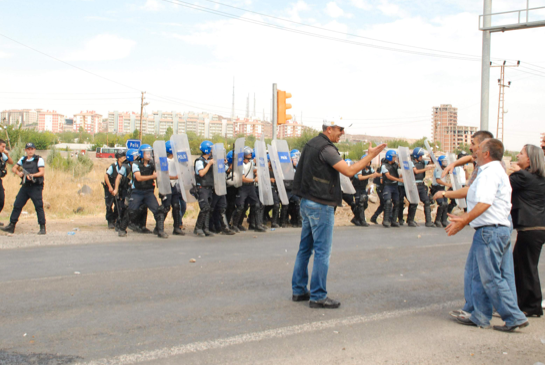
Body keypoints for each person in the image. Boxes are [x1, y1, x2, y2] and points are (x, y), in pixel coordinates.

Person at [291, 118, 386, 309]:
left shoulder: (311, 144)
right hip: (320, 204)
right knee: (322, 252)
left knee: (305, 249)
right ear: (329, 129)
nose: (342, 132)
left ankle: (299, 290)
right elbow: (349, 171)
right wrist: (370, 156)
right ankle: (318, 295)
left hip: (307, 202)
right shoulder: (326, 149)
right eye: (340, 129)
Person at [446, 138, 528, 332]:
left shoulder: (490, 173)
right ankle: (480, 316)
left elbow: (485, 202)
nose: (474, 151)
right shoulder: (489, 171)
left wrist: (464, 219)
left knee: (491, 277)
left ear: (486, 153)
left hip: (491, 230)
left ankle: (514, 316)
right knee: (478, 276)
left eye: (479, 148)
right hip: (488, 230)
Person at [509, 144, 545, 317]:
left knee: (525, 267)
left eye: (521, 153)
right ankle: (529, 304)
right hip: (538, 227)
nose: (517, 155)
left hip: (530, 227)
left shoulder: (522, 176)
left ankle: (531, 306)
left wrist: (513, 171)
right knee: (524, 265)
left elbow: (503, 183)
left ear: (529, 159)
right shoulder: (540, 178)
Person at [118, 144, 168, 239]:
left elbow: (162, 173)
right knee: (131, 211)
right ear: (142, 154)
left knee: (159, 211)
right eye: (147, 153)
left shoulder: (153, 163)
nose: (149, 155)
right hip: (137, 192)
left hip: (148, 192)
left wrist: (160, 166)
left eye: (150, 153)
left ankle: (160, 231)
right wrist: (152, 176)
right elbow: (138, 177)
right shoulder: (136, 164)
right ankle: (122, 229)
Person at [1, 143, 46, 235]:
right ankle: (12, 225)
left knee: (38, 206)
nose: (30, 151)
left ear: (34, 150)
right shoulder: (23, 159)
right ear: (26, 150)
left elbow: (41, 172)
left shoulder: (39, 159)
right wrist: (19, 173)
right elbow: (14, 168)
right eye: (28, 149)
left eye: (32, 149)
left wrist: (32, 175)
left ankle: (42, 227)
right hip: (25, 186)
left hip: (35, 186)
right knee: (17, 204)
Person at [231, 147, 263, 233]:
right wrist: (254, 180)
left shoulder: (251, 163)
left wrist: (256, 173)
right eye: (249, 154)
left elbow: (254, 170)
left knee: (256, 205)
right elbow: (242, 178)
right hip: (243, 187)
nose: (251, 155)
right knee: (241, 207)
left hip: (251, 187)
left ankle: (257, 225)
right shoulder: (240, 165)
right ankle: (235, 225)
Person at [408, 147, 436, 227]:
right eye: (420, 156)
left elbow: (431, 162)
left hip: (421, 184)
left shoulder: (423, 162)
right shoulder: (411, 162)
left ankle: (428, 221)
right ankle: (410, 220)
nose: (421, 157)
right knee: (414, 203)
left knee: (427, 202)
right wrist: (426, 169)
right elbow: (416, 171)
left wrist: (431, 155)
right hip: (414, 184)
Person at [192, 140, 216, 237]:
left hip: (209, 187)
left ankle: (205, 228)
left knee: (208, 208)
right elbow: (201, 173)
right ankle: (198, 228)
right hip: (202, 188)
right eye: (211, 149)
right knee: (204, 207)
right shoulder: (199, 161)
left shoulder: (209, 160)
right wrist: (209, 164)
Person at [351, 154, 380, 227]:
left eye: (369, 162)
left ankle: (356, 218)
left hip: (363, 188)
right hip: (356, 188)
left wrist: (383, 174)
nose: (368, 163)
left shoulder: (370, 169)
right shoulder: (359, 169)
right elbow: (360, 177)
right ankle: (362, 221)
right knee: (360, 203)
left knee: (365, 204)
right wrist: (370, 176)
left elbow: (375, 174)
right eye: (366, 162)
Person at [164, 141, 184, 236]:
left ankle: (176, 228)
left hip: (175, 186)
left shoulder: (176, 161)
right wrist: (174, 177)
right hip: (167, 186)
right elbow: (164, 175)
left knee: (176, 207)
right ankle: (158, 227)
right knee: (165, 207)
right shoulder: (164, 161)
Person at [103, 150, 126, 229]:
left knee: (118, 205)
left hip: (118, 188)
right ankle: (110, 221)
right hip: (110, 187)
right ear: (119, 158)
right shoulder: (113, 166)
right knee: (109, 205)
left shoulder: (124, 166)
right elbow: (106, 176)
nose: (125, 158)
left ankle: (116, 219)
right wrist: (110, 187)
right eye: (123, 157)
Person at [381, 150, 403, 228]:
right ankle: (386, 220)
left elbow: (398, 174)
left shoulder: (395, 165)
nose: (395, 158)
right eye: (393, 157)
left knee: (397, 202)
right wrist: (399, 180)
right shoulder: (384, 166)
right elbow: (389, 176)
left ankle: (394, 220)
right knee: (388, 202)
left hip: (395, 186)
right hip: (388, 186)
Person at [431, 155, 451, 228]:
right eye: (443, 161)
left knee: (446, 204)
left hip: (442, 188)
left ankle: (444, 220)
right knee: (441, 203)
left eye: (446, 161)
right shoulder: (438, 169)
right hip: (437, 188)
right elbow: (438, 180)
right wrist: (448, 184)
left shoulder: (444, 169)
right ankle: (437, 220)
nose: (445, 163)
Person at [0, 139, 14, 226]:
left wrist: (7, 154)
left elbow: (11, 162)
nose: (4, 148)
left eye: (5, 147)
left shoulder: (2, 155)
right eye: (2, 146)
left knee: (1, 199)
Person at [369, 158, 386, 224]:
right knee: (385, 204)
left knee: (383, 204)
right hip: (380, 188)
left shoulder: (381, 169)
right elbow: (380, 181)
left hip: (381, 188)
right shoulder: (381, 169)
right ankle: (386, 218)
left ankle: (374, 217)